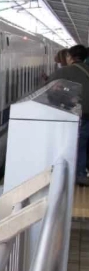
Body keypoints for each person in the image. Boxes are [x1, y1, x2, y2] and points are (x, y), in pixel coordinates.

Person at [47, 44, 89, 184]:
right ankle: (81, 172)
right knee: (83, 143)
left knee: (77, 143)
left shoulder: (63, 72)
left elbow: (48, 88)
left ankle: (76, 174)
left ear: (69, 57)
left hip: (74, 115)